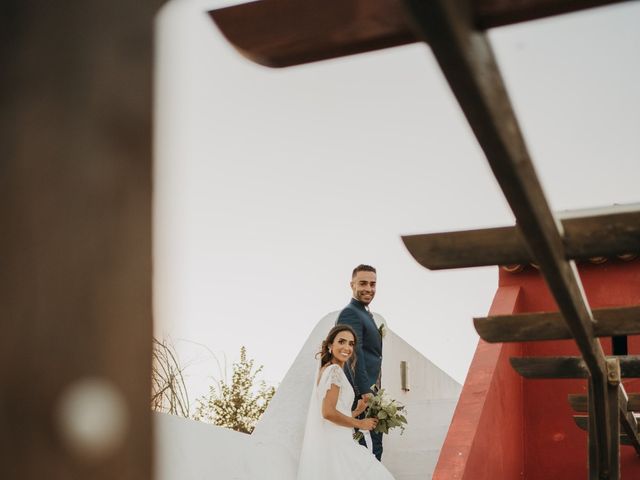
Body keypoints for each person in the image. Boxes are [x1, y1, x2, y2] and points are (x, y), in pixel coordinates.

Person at [296, 325, 395, 480]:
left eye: (351, 343)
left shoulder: (326, 369)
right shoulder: (334, 371)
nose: (347, 347)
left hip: (334, 441)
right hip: (339, 445)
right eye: (341, 341)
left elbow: (332, 410)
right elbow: (327, 412)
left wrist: (356, 411)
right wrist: (360, 423)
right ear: (330, 345)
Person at [336, 264, 384, 460]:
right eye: (363, 283)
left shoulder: (365, 313)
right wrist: (365, 391)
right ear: (352, 285)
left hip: (369, 390)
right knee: (367, 450)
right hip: (360, 394)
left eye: (373, 284)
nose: (369, 289)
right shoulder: (351, 313)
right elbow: (354, 353)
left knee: (373, 446)